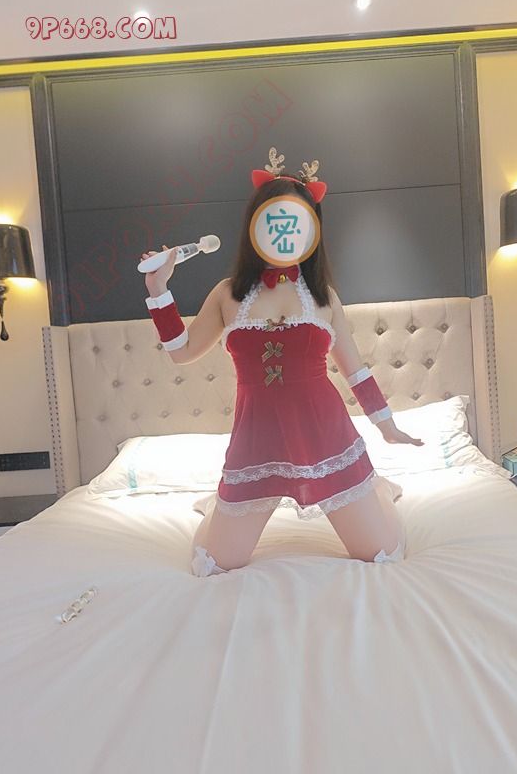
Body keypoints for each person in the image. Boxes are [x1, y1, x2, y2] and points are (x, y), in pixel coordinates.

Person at [141, 150, 423, 577]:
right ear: (255, 226)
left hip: (326, 438)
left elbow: (355, 370)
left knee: (383, 552)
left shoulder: (324, 297)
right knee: (214, 564)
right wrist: (158, 289)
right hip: (255, 441)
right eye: (274, 221)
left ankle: (379, 491)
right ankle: (217, 508)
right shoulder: (227, 294)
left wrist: (386, 425)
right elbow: (181, 350)